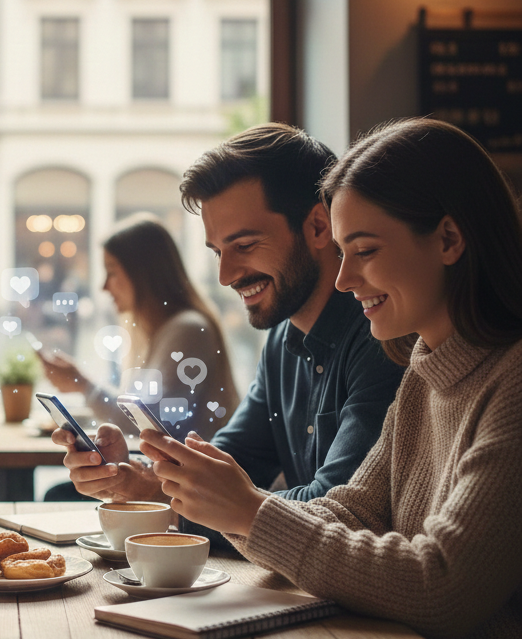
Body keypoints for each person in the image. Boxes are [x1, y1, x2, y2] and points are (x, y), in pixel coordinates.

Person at [142, 118, 522, 637]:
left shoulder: (512, 383)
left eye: (363, 251)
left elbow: (444, 586)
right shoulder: (424, 373)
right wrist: (209, 500)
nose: (343, 278)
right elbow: (350, 513)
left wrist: (250, 513)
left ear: (449, 239)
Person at [52, 124, 405, 522]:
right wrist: (135, 478)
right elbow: (228, 464)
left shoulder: (383, 338)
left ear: (319, 227)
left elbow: (335, 509)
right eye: (218, 251)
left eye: (245, 245)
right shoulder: (282, 341)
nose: (226, 275)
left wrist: (184, 492)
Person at [42, 214, 239, 501]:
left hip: (195, 493)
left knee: (59, 496)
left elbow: (148, 422)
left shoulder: (187, 328)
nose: (104, 287)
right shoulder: (162, 331)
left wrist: (82, 384)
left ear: (143, 273)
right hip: (176, 482)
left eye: (112, 271)